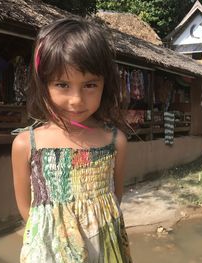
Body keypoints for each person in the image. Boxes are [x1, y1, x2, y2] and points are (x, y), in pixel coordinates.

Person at [11, 17, 132, 263]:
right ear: (43, 84)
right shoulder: (26, 144)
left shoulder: (115, 141)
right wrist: (54, 236)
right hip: (49, 252)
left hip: (104, 250)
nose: (76, 100)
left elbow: (114, 197)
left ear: (104, 84)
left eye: (89, 85)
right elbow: (27, 209)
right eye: (62, 84)